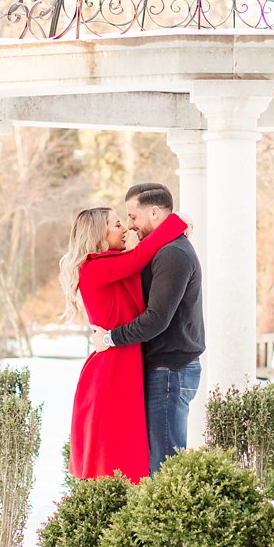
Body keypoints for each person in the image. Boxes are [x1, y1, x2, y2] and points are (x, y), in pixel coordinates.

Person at [60, 204, 188, 483]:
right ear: (99, 233)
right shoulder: (95, 267)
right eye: (117, 224)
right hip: (111, 368)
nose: (125, 229)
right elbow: (141, 255)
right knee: (115, 452)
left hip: (123, 360)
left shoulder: (110, 263)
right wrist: (176, 222)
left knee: (127, 447)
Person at [90, 182, 204, 474]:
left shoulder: (172, 254)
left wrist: (112, 338)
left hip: (170, 369)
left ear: (154, 213)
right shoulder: (162, 250)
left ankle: (168, 520)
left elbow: (156, 318)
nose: (129, 226)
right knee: (155, 461)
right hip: (164, 367)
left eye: (132, 217)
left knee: (163, 466)